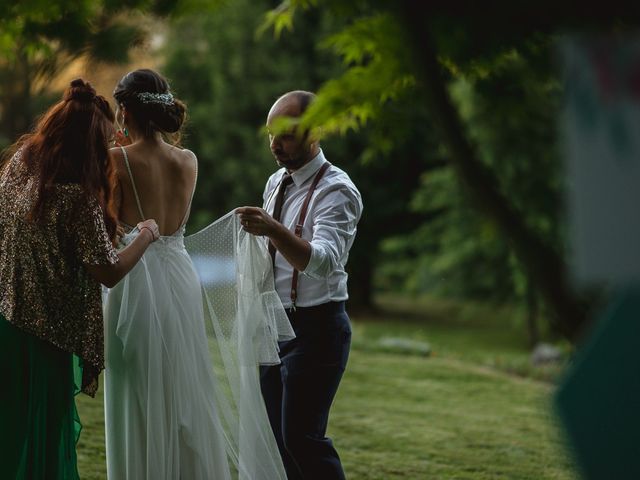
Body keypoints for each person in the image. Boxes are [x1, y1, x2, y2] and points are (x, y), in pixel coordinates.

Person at [0, 79, 159, 480]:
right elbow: (109, 271)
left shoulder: (20, 166)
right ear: (87, 143)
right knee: (44, 428)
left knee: (10, 424)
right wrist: (145, 235)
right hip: (49, 331)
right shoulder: (78, 197)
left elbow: (49, 237)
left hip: (8, 317)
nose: (109, 148)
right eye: (105, 141)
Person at [237, 90, 363, 479]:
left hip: (317, 329)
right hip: (275, 325)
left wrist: (273, 230)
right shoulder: (276, 180)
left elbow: (324, 263)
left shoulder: (337, 190)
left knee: (302, 438)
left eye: (286, 135)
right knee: (277, 441)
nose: (274, 144)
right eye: (270, 134)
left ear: (316, 132)